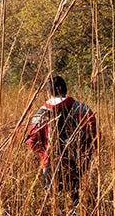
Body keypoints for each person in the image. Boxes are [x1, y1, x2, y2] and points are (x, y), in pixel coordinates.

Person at [25, 75, 97, 205]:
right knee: (76, 201)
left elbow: (32, 141)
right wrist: (86, 156)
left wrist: (45, 153)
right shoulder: (83, 108)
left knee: (53, 202)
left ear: (48, 92)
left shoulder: (40, 113)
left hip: (50, 164)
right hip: (77, 163)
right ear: (65, 90)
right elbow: (94, 136)